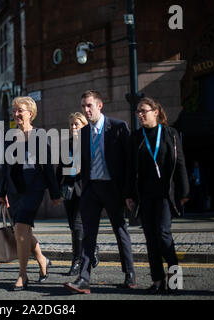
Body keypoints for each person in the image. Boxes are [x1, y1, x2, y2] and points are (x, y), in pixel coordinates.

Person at [65, 90, 136, 294]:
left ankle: (129, 274)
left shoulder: (118, 127)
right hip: (91, 190)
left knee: (120, 230)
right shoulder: (84, 133)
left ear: (99, 105)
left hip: (113, 189)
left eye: (89, 105)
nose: (86, 110)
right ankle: (84, 278)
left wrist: (129, 193)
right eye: (83, 106)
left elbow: (129, 163)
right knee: (89, 235)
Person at [125, 97, 190, 294]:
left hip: (164, 195)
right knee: (151, 239)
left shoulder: (170, 134)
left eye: (144, 110)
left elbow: (180, 164)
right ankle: (158, 280)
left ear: (155, 111)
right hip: (145, 196)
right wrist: (129, 195)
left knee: (163, 235)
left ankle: (175, 280)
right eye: (138, 112)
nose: (140, 115)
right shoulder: (136, 137)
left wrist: (184, 191)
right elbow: (130, 169)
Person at [0, 96, 61, 291]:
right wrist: (1, 193)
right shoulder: (9, 136)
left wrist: (54, 193)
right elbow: (4, 168)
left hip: (34, 187)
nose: (16, 114)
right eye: (15, 110)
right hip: (15, 189)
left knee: (21, 227)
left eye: (20, 110)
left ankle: (22, 275)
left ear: (30, 113)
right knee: (22, 230)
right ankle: (42, 259)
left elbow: (48, 166)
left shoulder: (40, 135)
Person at [56, 112, 99, 276]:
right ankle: (93, 247)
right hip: (68, 191)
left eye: (77, 124)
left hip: (86, 190)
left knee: (77, 226)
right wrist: (57, 191)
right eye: (72, 124)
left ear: (84, 126)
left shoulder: (91, 143)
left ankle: (77, 261)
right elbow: (60, 169)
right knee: (74, 226)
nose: (74, 127)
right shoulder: (65, 144)